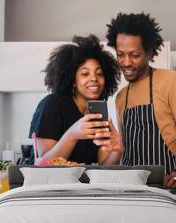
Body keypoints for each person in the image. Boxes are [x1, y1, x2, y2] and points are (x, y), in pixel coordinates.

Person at [106, 12, 176, 188]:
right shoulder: (120, 97)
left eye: (135, 55)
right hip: (131, 187)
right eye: (120, 54)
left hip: (167, 186)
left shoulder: (171, 81)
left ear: (149, 52)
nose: (126, 62)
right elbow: (125, 147)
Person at [29, 34, 123, 165]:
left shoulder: (97, 112)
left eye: (99, 73)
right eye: (85, 74)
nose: (94, 78)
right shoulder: (52, 104)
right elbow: (44, 163)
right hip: (50, 185)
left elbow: (104, 166)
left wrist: (117, 151)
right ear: (73, 80)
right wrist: (72, 134)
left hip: (81, 185)